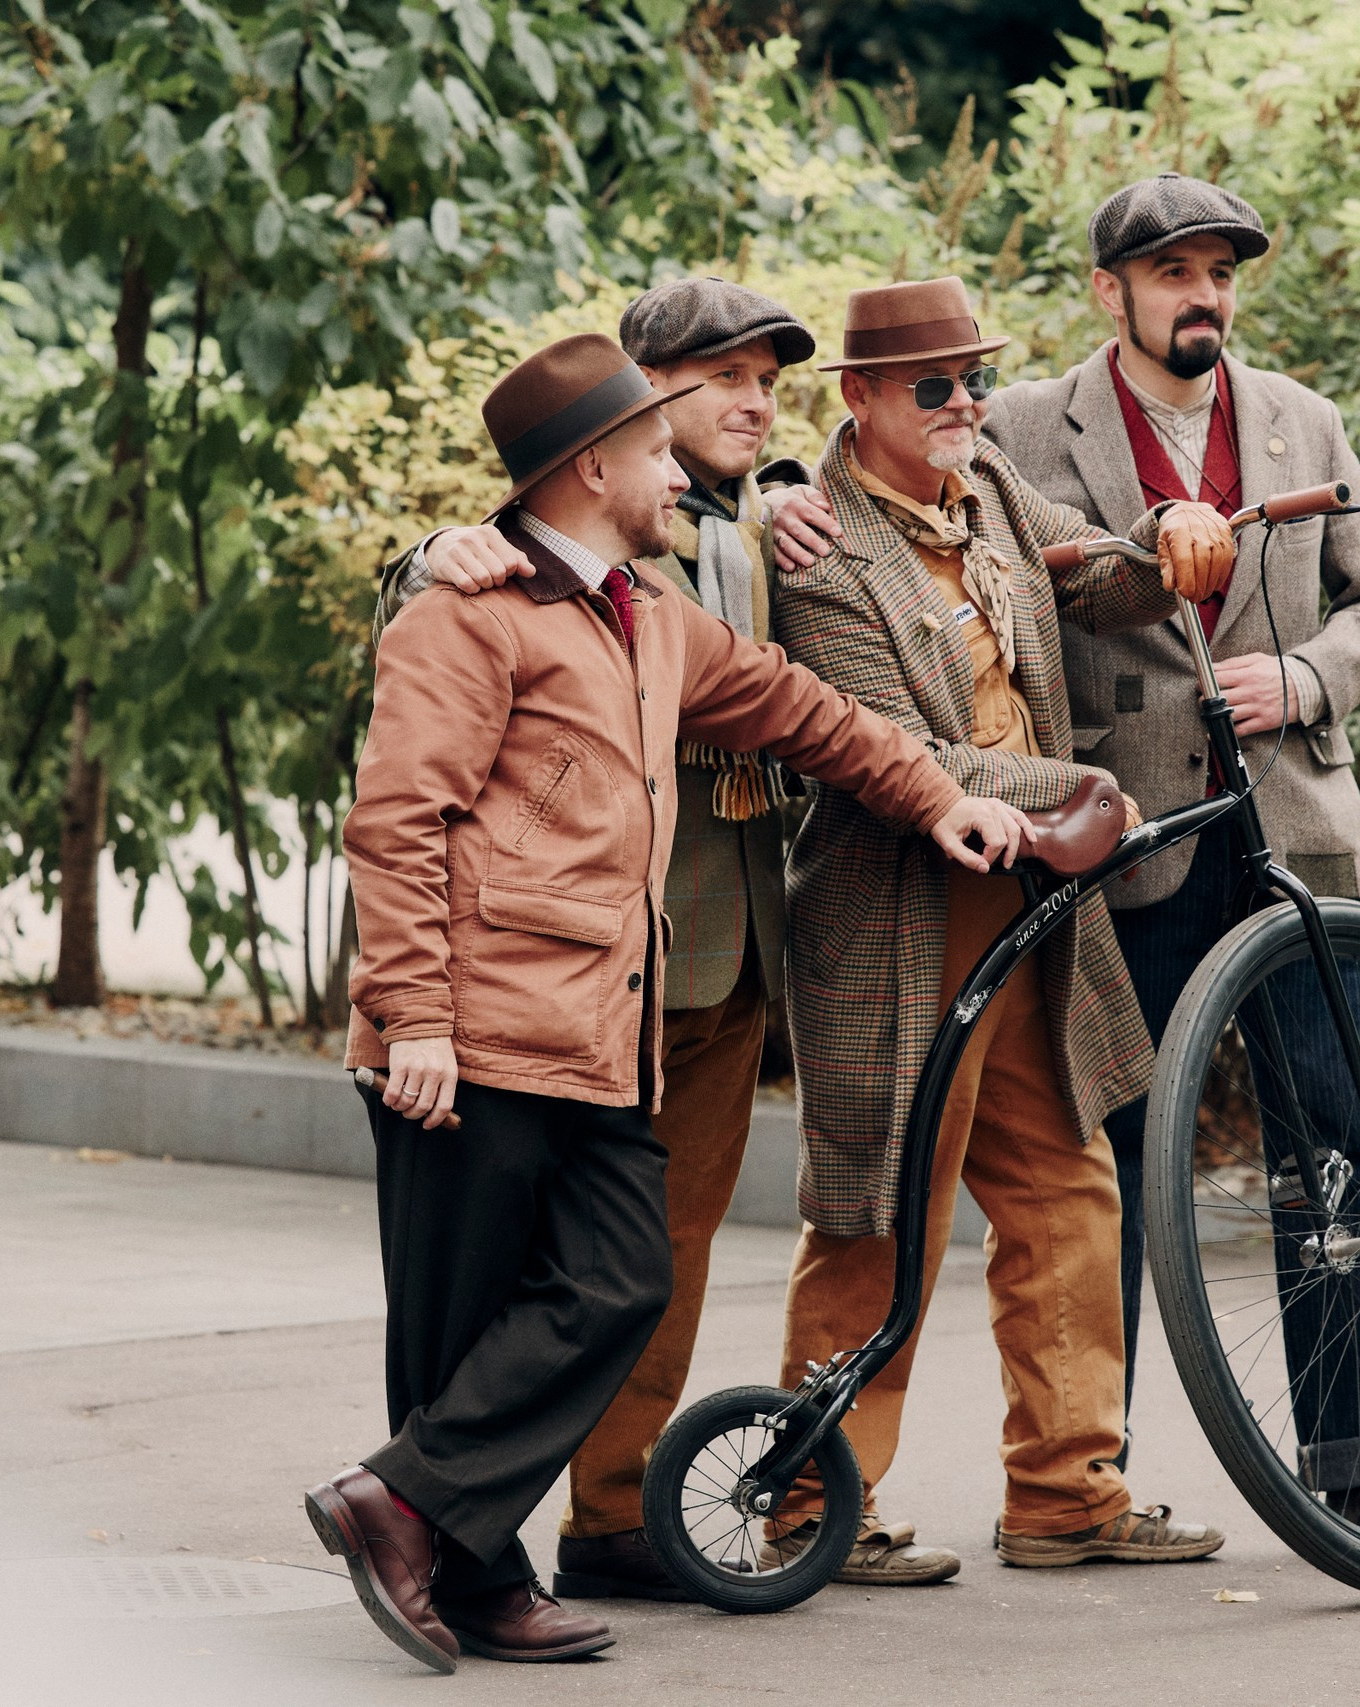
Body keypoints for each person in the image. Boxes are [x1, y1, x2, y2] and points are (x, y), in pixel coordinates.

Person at [305, 331, 1033, 1671]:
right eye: (654, 448)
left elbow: (804, 711)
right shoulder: (468, 610)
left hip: (591, 1035)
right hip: (464, 1035)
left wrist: (942, 795)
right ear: (592, 467)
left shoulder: (647, 614)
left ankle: (402, 1508)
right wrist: (410, 1017)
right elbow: (396, 822)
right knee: (456, 1329)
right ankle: (469, 1569)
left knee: (619, 1278)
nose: (677, 471)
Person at [388, 277, 931, 1593]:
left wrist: (951, 795)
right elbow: (429, 698)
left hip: (726, 943)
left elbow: (799, 703)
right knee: (525, 1275)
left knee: (654, 1260)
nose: (756, 405)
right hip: (570, 972)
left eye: (770, 386)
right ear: (643, 401)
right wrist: (430, 551)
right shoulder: (537, 558)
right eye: (727, 382)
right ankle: (451, 1533)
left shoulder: (751, 535)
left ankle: (602, 1521)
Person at [978, 173, 1360, 1534]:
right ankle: (1085, 1489)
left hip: (1294, 827)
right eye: (1174, 273)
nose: (1205, 295)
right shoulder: (1017, 428)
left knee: (1335, 1153)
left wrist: (1300, 679)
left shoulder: (1304, 419)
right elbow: (932, 528)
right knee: (1105, 1160)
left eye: (1221, 271)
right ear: (1108, 290)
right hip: (1133, 845)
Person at [767, 275, 1233, 1578]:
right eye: (934, 386)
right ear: (858, 400)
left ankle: (1069, 1491)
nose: (967, 403)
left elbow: (1092, 579)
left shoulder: (990, 500)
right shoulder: (817, 553)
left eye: (974, 379)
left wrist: (1178, 541)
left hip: (1036, 905)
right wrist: (1077, 793)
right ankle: (813, 1502)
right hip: (899, 914)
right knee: (880, 1208)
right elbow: (892, 753)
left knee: (1070, 1184)